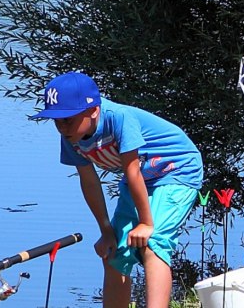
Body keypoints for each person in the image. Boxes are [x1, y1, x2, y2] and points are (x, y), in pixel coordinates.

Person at [32, 71, 204, 308]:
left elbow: (132, 171)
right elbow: (89, 181)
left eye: (68, 119)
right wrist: (106, 230)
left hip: (176, 170)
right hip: (142, 176)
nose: (62, 127)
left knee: (153, 243)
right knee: (114, 252)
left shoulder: (119, 118)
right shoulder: (71, 137)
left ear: (93, 110)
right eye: (57, 121)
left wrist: (145, 223)